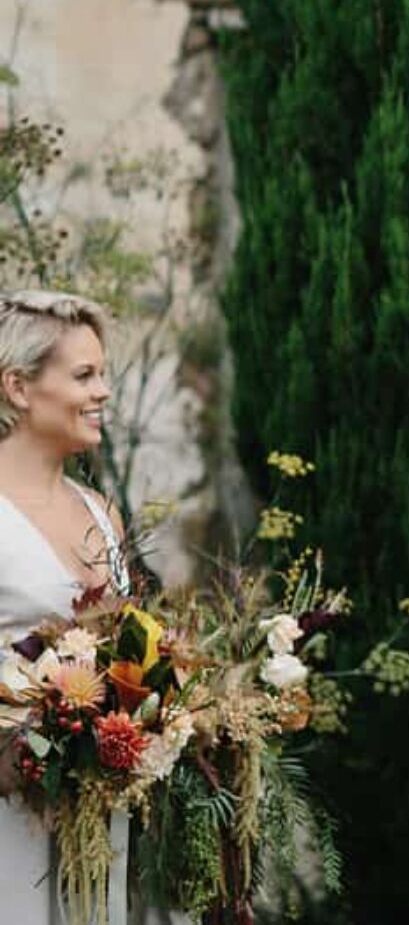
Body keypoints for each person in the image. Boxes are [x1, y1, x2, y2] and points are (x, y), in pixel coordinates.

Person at [0, 291, 130, 925]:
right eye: (84, 375)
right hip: (11, 814)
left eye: (102, 374)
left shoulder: (102, 515)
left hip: (104, 812)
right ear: (19, 388)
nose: (103, 391)